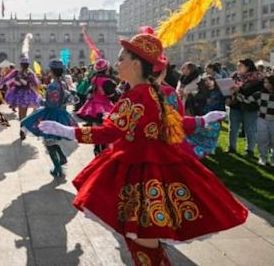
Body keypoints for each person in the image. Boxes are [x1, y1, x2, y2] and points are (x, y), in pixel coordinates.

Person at [39, 33, 248, 266]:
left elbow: (109, 132)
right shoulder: (152, 93)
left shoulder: (136, 95)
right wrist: (203, 120)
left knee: (142, 243)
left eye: (121, 59)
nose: (117, 64)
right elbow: (173, 124)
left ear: (136, 64)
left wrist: (67, 131)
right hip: (157, 169)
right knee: (146, 243)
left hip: (140, 174)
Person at [21, 59, 78, 177]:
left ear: (51, 71)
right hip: (61, 113)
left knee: (49, 142)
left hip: (52, 115)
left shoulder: (53, 85)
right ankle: (62, 157)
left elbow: (50, 104)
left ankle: (57, 169)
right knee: (52, 139)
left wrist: (39, 99)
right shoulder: (63, 83)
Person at [0, 57, 40, 140]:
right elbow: (36, 83)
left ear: (21, 65)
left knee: (21, 114)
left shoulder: (17, 72)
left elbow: (6, 78)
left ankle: (22, 129)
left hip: (18, 93)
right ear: (28, 65)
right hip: (27, 94)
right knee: (24, 114)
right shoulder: (30, 73)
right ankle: (23, 130)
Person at [228, 58, 263, 157]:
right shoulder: (235, 76)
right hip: (235, 105)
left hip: (250, 107)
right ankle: (232, 147)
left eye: (240, 66)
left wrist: (240, 89)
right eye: (237, 66)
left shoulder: (256, 78)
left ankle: (250, 150)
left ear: (247, 67)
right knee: (233, 127)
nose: (237, 67)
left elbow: (255, 93)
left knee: (250, 129)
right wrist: (228, 96)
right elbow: (229, 88)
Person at [252, 74, 274, 166]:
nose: (265, 84)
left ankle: (273, 160)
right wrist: (236, 92)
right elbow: (247, 100)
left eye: (267, 82)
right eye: (264, 82)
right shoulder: (259, 94)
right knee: (262, 139)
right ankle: (263, 158)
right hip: (262, 120)